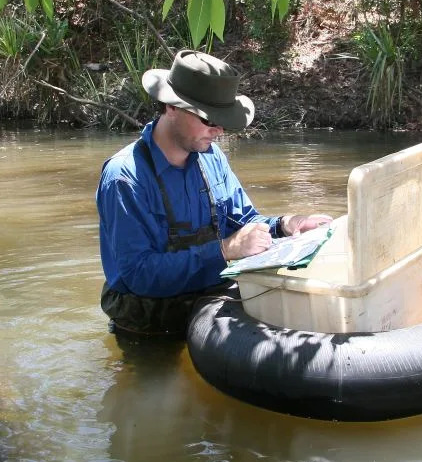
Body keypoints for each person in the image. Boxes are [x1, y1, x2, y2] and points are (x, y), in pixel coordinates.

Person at [97, 50, 331, 338]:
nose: (218, 131)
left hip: (203, 305)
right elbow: (139, 275)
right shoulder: (125, 177)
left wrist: (285, 225)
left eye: (223, 122)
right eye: (210, 120)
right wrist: (225, 250)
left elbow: (244, 221)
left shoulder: (211, 156)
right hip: (146, 325)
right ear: (171, 107)